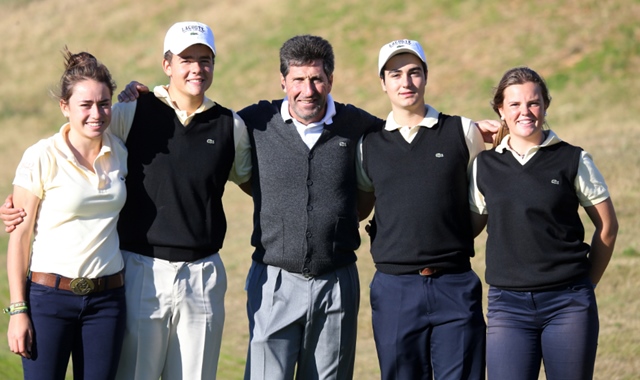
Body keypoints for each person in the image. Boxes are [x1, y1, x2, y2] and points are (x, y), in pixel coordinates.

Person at [1, 21, 251, 380]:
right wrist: (18, 203)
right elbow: (81, 134)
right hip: (138, 272)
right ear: (167, 64)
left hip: (192, 277)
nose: (196, 68)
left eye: (204, 59)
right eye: (186, 59)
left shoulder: (231, 126)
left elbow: (251, 180)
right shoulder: (130, 114)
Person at [236, 34, 381, 380]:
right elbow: (200, 128)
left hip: (337, 283)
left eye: (317, 78)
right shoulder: (255, 121)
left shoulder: (360, 125)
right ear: (283, 80)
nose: (308, 89)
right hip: (273, 281)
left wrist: (471, 131)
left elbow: (409, 140)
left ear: (331, 79)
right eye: (298, 80)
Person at [469, 66, 618, 380]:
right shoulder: (484, 165)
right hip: (507, 306)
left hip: (569, 304)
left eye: (533, 103)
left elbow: (607, 227)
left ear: (545, 105)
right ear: (500, 110)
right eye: (515, 104)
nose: (525, 112)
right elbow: (468, 228)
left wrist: (586, 284)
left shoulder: (573, 159)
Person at [357, 39, 488, 379]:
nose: (406, 82)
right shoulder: (369, 144)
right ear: (383, 83)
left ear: (426, 77)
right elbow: (363, 204)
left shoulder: (462, 131)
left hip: (455, 283)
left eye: (415, 72)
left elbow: (482, 201)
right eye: (396, 74)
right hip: (395, 289)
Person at [5, 49, 127, 380]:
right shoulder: (41, 156)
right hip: (49, 302)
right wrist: (18, 311)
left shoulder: (120, 151)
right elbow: (19, 238)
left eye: (104, 103)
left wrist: (136, 91)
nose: (96, 113)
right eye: (85, 105)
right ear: (65, 107)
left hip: (107, 302)